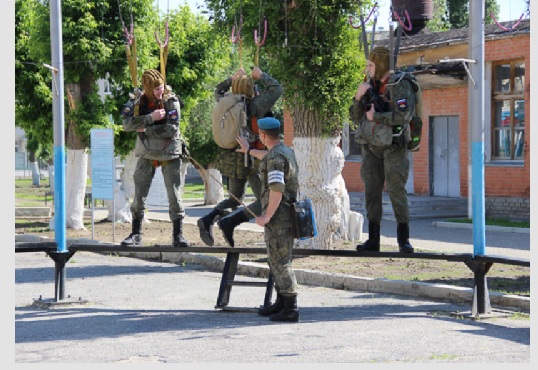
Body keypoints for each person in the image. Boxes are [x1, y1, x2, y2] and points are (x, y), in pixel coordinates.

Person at [197, 66, 283, 247]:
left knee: (235, 197)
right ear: (251, 89)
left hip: (228, 158)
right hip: (249, 159)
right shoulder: (254, 106)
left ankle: (208, 218)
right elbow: (277, 89)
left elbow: (218, 89)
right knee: (264, 200)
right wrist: (261, 76)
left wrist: (231, 78)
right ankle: (229, 222)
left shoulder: (224, 101)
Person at [349, 46, 414, 254]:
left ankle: (404, 240)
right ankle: (373, 239)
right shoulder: (370, 85)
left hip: (394, 145)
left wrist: (376, 117)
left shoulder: (399, 84)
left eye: (371, 64)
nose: (368, 68)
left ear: (382, 64)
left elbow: (404, 116)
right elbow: (355, 117)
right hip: (371, 146)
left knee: (396, 190)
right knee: (372, 192)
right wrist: (358, 97)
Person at [236, 117, 300, 322]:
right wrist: (248, 150)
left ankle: (291, 308)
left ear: (263, 135)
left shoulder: (275, 158)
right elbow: (267, 155)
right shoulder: (283, 150)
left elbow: (276, 189)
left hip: (279, 216)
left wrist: (266, 216)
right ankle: (281, 303)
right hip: (284, 214)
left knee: (281, 261)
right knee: (275, 258)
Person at [120, 69, 190, 248]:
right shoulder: (137, 100)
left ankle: (178, 235)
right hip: (146, 153)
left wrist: (147, 129)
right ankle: (136, 234)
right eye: (156, 89)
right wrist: (150, 117)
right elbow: (126, 124)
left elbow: (172, 129)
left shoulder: (170, 101)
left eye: (161, 87)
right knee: (139, 195)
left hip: (169, 152)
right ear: (148, 90)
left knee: (174, 195)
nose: (161, 91)